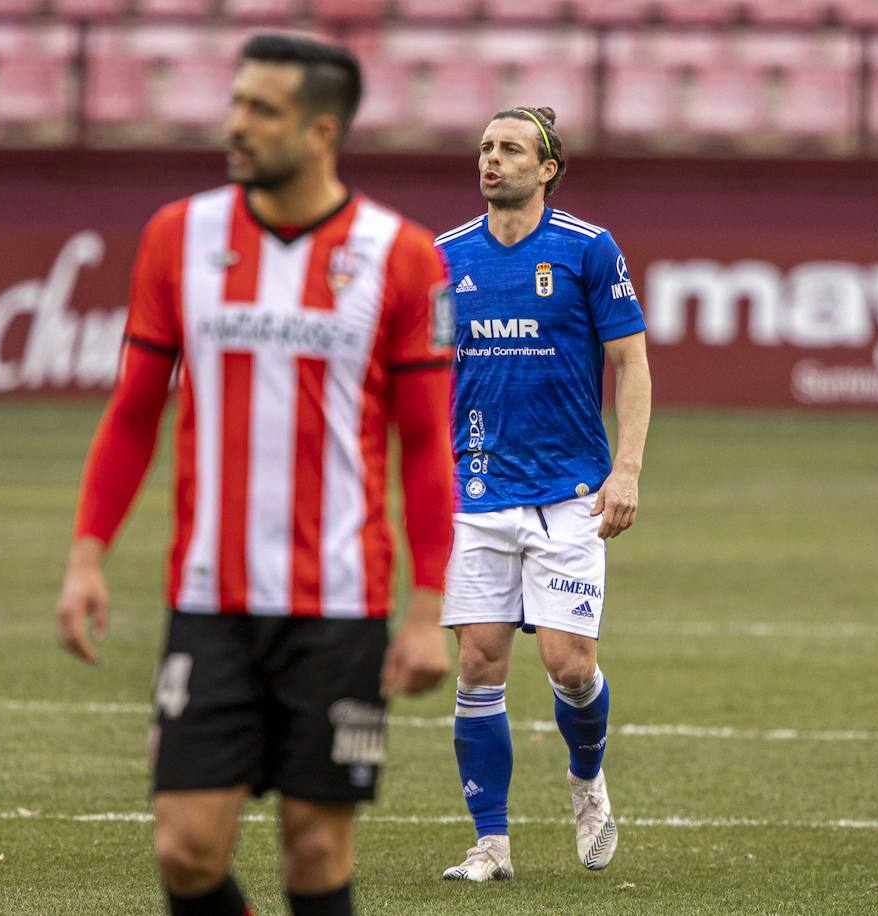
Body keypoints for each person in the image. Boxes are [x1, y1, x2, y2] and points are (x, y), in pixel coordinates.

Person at [53, 33, 455, 916]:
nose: (235, 124)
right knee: (186, 851)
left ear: (320, 131)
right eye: (236, 102)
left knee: (316, 853)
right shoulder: (178, 235)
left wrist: (428, 613)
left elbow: (429, 447)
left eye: (260, 110)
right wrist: (87, 559)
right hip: (210, 599)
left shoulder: (405, 255)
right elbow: (132, 414)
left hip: (340, 605)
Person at [432, 106, 651, 881]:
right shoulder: (445, 256)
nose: (492, 159)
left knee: (569, 667)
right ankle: (490, 844)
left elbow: (630, 363)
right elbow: (428, 373)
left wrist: (626, 470)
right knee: (478, 667)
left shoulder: (590, 249)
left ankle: (586, 777)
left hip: (570, 491)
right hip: (478, 490)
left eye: (511, 149)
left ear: (547, 168)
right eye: (486, 146)